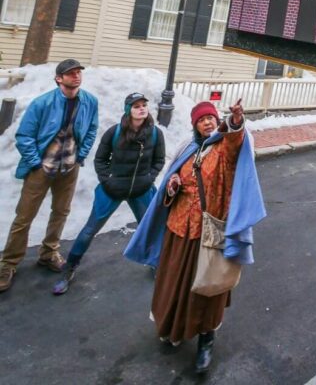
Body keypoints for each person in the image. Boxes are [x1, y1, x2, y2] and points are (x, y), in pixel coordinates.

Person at [125, 100, 265, 375]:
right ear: (195, 125)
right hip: (179, 229)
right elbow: (170, 184)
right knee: (173, 284)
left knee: (208, 287)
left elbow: (236, 141)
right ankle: (173, 328)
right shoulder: (187, 151)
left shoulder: (224, 149)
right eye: (202, 120)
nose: (207, 123)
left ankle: (206, 341)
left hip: (208, 232)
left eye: (211, 118)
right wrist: (173, 184)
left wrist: (235, 121)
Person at [52, 92, 166, 295]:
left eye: (144, 105)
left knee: (150, 228)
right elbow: (100, 160)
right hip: (112, 190)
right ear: (128, 110)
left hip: (141, 190)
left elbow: (159, 160)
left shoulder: (155, 134)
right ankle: (69, 267)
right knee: (89, 230)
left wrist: (149, 178)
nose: (141, 108)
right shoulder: (114, 132)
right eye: (136, 105)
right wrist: (107, 180)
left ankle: (155, 262)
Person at [0, 59, 98, 293]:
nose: (76, 76)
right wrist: (36, 163)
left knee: (61, 212)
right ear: (58, 79)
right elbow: (24, 135)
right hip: (42, 168)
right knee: (24, 216)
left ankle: (48, 251)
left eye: (78, 73)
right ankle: (8, 263)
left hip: (69, 168)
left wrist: (80, 156)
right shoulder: (42, 103)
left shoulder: (89, 101)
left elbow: (92, 128)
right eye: (70, 73)